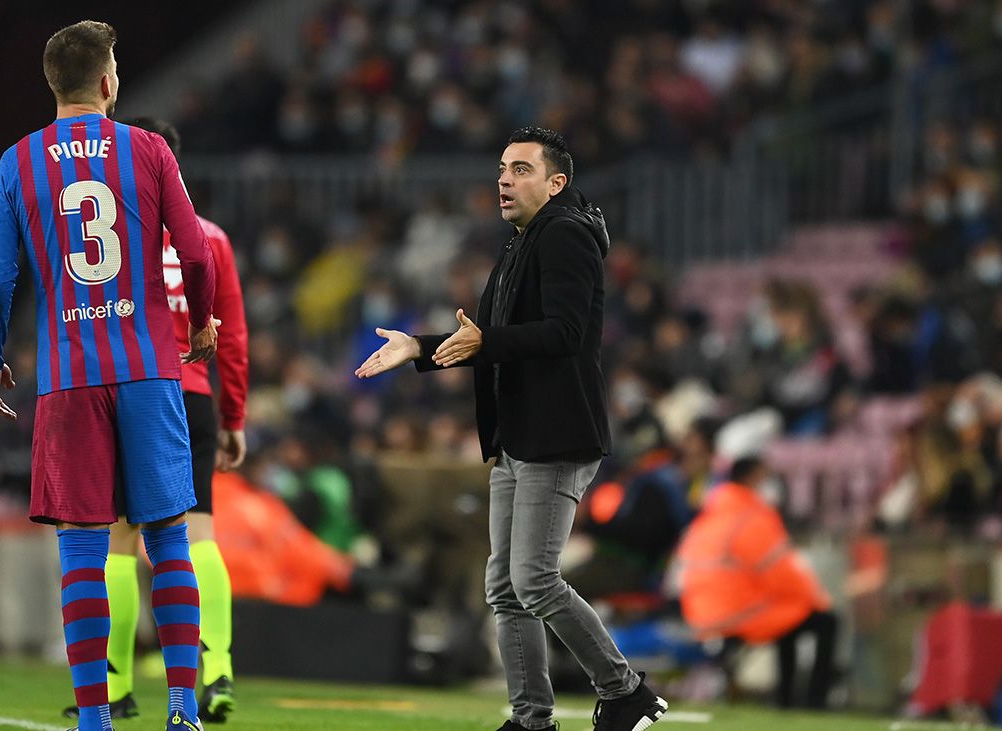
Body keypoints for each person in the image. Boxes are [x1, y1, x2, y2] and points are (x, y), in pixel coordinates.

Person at [356, 127, 666, 731]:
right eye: (502, 167)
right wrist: (419, 348)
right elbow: (486, 339)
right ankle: (531, 720)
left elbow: (566, 333)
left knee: (534, 580)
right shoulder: (523, 242)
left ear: (557, 183)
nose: (504, 178)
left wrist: (485, 341)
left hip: (557, 433)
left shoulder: (566, 236)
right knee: (503, 585)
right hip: (519, 437)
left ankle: (625, 690)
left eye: (521, 169)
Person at [0, 21, 218, 731]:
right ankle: (182, 709)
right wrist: (199, 322)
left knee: (82, 550)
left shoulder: (18, 161)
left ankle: (94, 720)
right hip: (148, 369)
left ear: (54, 84)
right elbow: (196, 251)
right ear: (109, 83)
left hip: (66, 377)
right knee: (168, 538)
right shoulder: (146, 149)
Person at [60, 117, 248, 724]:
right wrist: (232, 416)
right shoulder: (210, 238)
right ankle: (216, 672)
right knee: (198, 536)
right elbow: (233, 335)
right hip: (189, 394)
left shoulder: (109, 232)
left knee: (115, 539)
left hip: (121, 388)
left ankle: (113, 684)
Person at [671, 457, 837, 708]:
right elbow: (783, 573)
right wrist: (818, 600)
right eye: (765, 477)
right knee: (823, 620)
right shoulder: (752, 517)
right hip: (738, 612)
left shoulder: (708, 516)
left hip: (699, 612)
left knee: (789, 618)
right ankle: (813, 702)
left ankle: (787, 700)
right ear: (751, 478)